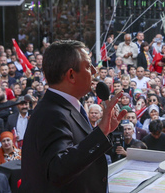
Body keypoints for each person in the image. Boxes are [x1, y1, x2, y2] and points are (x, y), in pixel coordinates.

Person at [20, 40, 126, 193]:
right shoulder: (52, 114)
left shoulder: (65, 107)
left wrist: (103, 131)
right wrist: (100, 132)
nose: (95, 71)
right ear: (71, 75)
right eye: (89, 66)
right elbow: (59, 170)